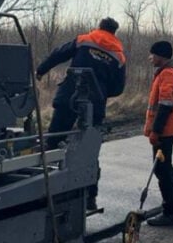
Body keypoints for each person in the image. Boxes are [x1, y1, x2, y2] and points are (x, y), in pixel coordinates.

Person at [36, 18, 126, 211]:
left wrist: (40, 70)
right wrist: (100, 90)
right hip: (95, 103)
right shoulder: (119, 56)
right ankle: (89, 198)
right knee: (89, 150)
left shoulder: (84, 40)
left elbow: (57, 55)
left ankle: (45, 192)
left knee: (53, 140)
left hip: (69, 95)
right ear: (114, 32)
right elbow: (118, 88)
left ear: (99, 27)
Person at [143, 41, 173, 227]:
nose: (150, 58)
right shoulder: (172, 72)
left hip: (165, 130)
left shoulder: (168, 74)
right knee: (167, 167)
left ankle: (169, 212)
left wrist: (156, 131)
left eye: (152, 54)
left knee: (162, 170)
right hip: (169, 129)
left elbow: (165, 104)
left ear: (161, 56)